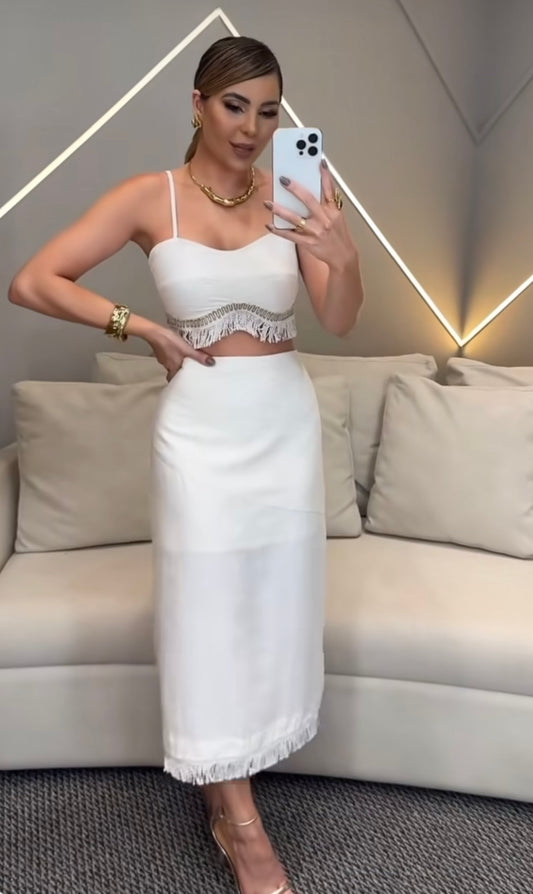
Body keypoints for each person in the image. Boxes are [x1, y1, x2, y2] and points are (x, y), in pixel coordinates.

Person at [8, 34, 364, 894]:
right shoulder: (151, 197)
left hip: (281, 425)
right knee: (206, 612)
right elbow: (34, 280)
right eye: (234, 105)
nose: (250, 128)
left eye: (268, 112)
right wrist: (139, 328)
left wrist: (342, 254)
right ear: (198, 102)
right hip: (200, 434)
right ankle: (240, 825)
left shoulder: (294, 194)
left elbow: (339, 319)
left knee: (271, 609)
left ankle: (228, 782)